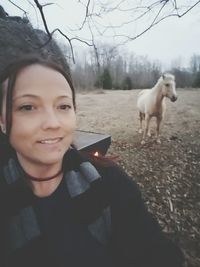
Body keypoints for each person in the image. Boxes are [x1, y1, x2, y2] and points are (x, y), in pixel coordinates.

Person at [0, 15, 184, 267]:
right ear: (3, 119)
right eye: (28, 106)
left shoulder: (111, 184)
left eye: (64, 105)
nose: (53, 122)